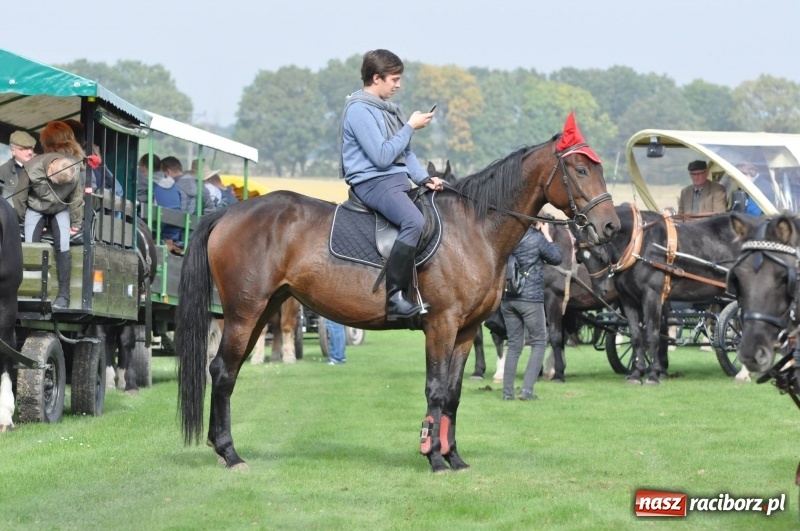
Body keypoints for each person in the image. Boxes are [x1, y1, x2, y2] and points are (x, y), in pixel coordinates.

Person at [339, 49, 443, 321]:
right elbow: (383, 156)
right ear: (377, 78)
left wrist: (424, 178)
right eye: (394, 79)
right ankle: (395, 299)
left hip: (395, 180)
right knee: (414, 222)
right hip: (373, 182)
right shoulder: (359, 110)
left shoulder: (388, 110)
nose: (399, 85)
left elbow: (405, 153)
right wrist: (409, 126)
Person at [13, 121, 84, 309]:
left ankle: (64, 295)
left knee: (63, 246)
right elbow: (20, 197)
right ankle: (28, 290)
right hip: (36, 207)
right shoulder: (32, 168)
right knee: (29, 244)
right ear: (49, 170)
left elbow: (77, 199)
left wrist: (75, 223)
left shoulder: (75, 170)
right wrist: (20, 219)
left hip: (60, 209)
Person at [501, 221, 562, 401]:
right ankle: (527, 391)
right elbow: (557, 257)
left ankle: (507, 394)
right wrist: (546, 234)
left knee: (514, 345)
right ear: (536, 222)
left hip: (508, 298)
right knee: (539, 343)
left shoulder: (508, 236)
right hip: (530, 299)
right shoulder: (536, 238)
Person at [137, 154, 183, 253]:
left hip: (159, 232)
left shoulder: (148, 184)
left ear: (144, 167)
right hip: (174, 233)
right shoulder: (174, 186)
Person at [0, 131, 37, 200]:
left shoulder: (42, 166)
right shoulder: (2, 172)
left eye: (31, 148)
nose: (30, 152)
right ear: (13, 151)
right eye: (24, 148)